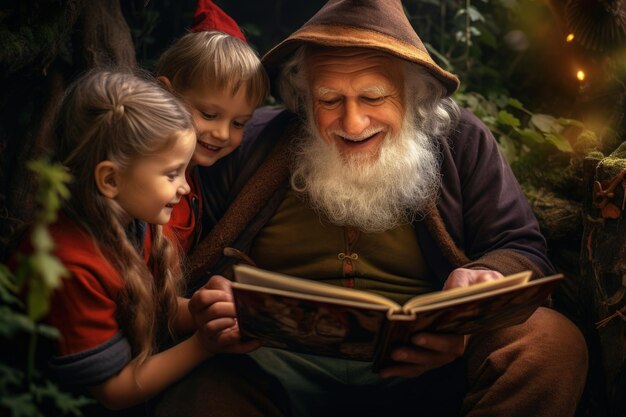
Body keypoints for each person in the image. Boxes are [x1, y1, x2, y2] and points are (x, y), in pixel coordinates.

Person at [155, 1, 589, 416]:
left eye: (374, 97)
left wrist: (482, 287)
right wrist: (210, 299)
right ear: (304, 98)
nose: (352, 122)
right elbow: (179, 247)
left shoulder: (462, 141)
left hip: (432, 366)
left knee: (550, 343)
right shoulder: (247, 143)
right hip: (271, 365)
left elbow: (520, 245)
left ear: (414, 93)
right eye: (329, 100)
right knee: (197, 395)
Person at [12, 70, 255, 416]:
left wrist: (200, 310)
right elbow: (114, 390)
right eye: (172, 174)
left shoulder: (134, 224)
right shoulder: (69, 266)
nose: (185, 188)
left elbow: (148, 309)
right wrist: (203, 346)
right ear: (110, 179)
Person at [142, 2, 269, 257]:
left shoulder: (195, 176)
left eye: (238, 123)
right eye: (209, 115)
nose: (223, 134)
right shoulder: (142, 178)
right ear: (165, 93)